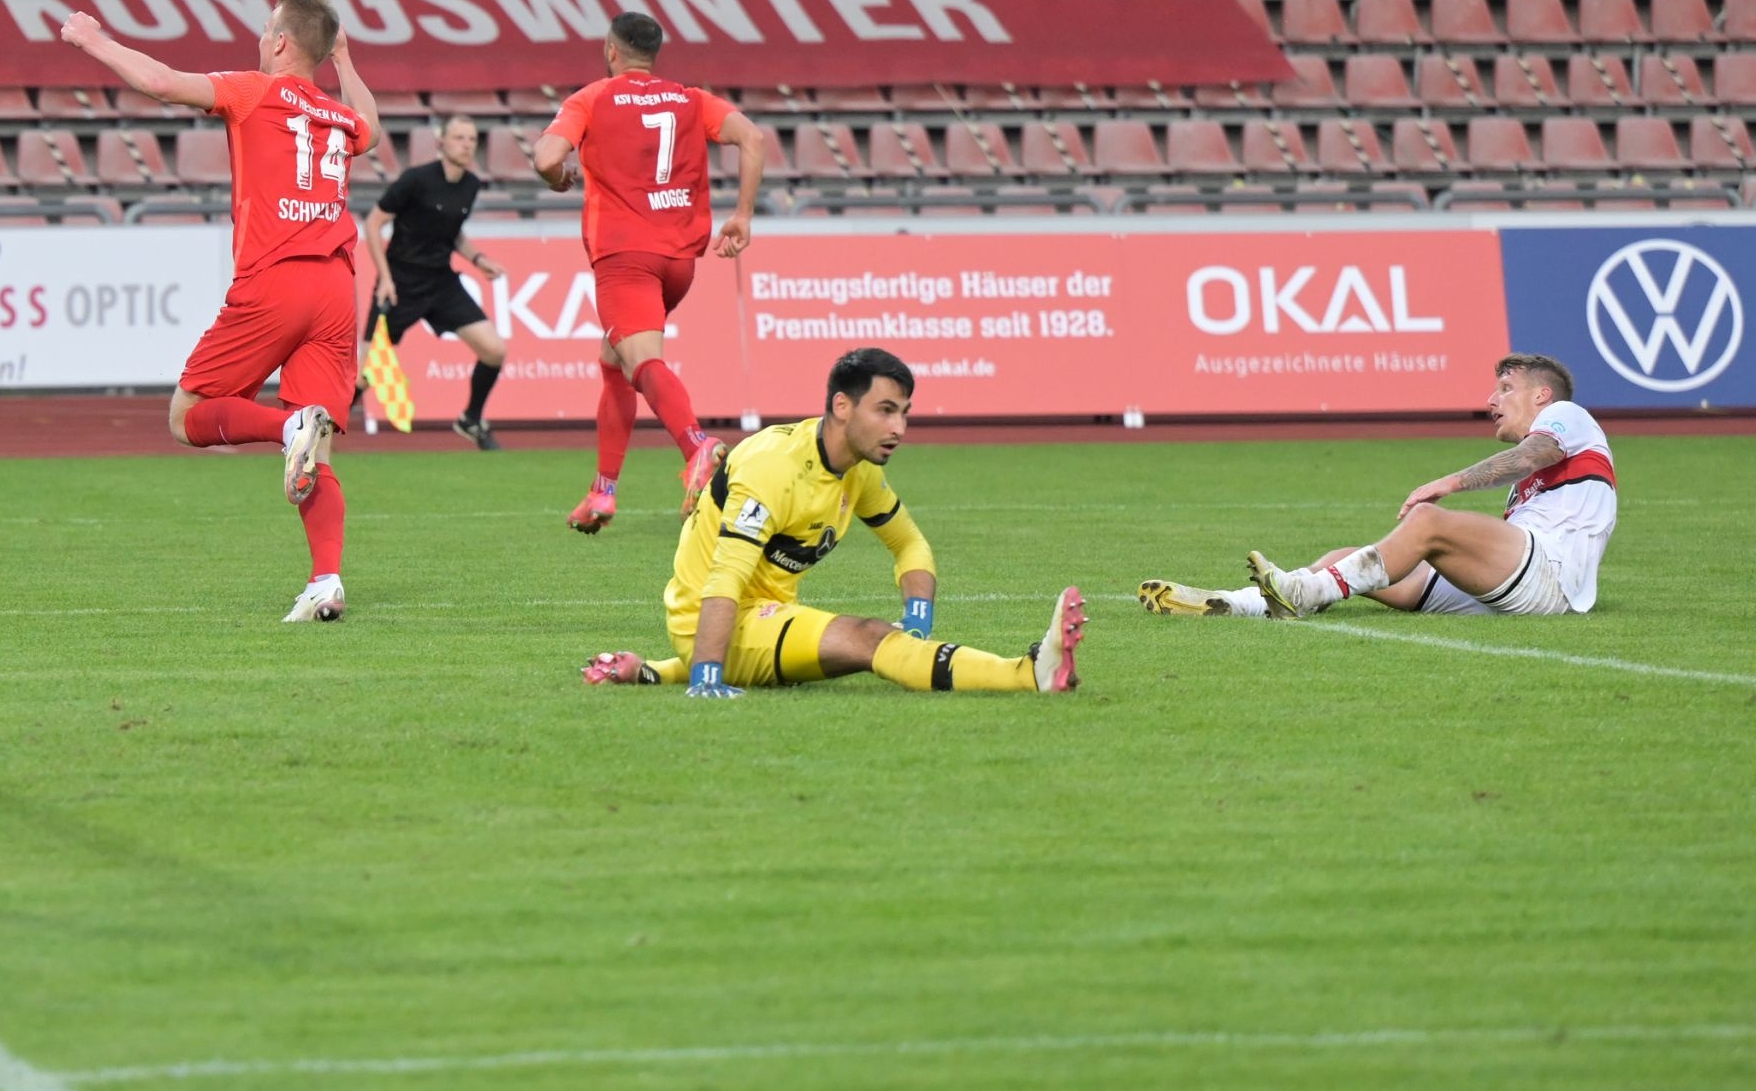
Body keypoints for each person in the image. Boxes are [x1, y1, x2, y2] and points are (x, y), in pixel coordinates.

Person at [61, 0, 380, 623]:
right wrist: (344, 59)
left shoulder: (254, 90)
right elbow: (369, 123)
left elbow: (161, 83)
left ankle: (286, 427)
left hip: (277, 280)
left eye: (266, 30)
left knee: (187, 416)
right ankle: (326, 581)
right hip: (336, 287)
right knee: (318, 451)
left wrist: (92, 40)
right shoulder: (338, 116)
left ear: (281, 42)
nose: (261, 39)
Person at [583, 348, 1087, 697]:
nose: (899, 428)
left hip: (764, 616)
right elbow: (725, 578)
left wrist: (917, 620)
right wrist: (707, 675)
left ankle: (654, 673)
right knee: (867, 638)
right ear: (842, 406)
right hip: (709, 623)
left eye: (904, 413)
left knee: (875, 639)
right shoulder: (772, 467)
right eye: (885, 411)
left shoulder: (858, 471)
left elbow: (909, 544)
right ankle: (1027, 675)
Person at [1138, 354, 1616, 620]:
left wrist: (1449, 482)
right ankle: (1230, 603)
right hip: (1518, 583)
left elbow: (1533, 455)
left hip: (1550, 580)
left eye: (1506, 389)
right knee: (1343, 557)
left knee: (1427, 521)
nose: (1492, 400)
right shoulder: (1540, 476)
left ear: (1542, 395)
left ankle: (1301, 595)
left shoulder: (1567, 416)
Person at [529, 11, 765, 534]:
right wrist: (743, 215)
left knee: (640, 361)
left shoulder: (591, 98)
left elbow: (545, 156)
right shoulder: (690, 99)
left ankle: (696, 446)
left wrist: (557, 177)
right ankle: (602, 491)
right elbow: (754, 139)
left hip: (624, 257)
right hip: (679, 260)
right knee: (614, 360)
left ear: (611, 50)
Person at [360, 115, 508, 448]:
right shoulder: (416, 180)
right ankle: (322, 434)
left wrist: (479, 260)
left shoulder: (471, 185)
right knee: (365, 372)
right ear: (441, 143)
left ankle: (471, 419)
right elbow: (373, 223)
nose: (466, 145)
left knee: (494, 350)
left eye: (472, 139)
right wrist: (385, 278)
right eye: (459, 138)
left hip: (441, 282)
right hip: (400, 282)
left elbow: (453, 234)